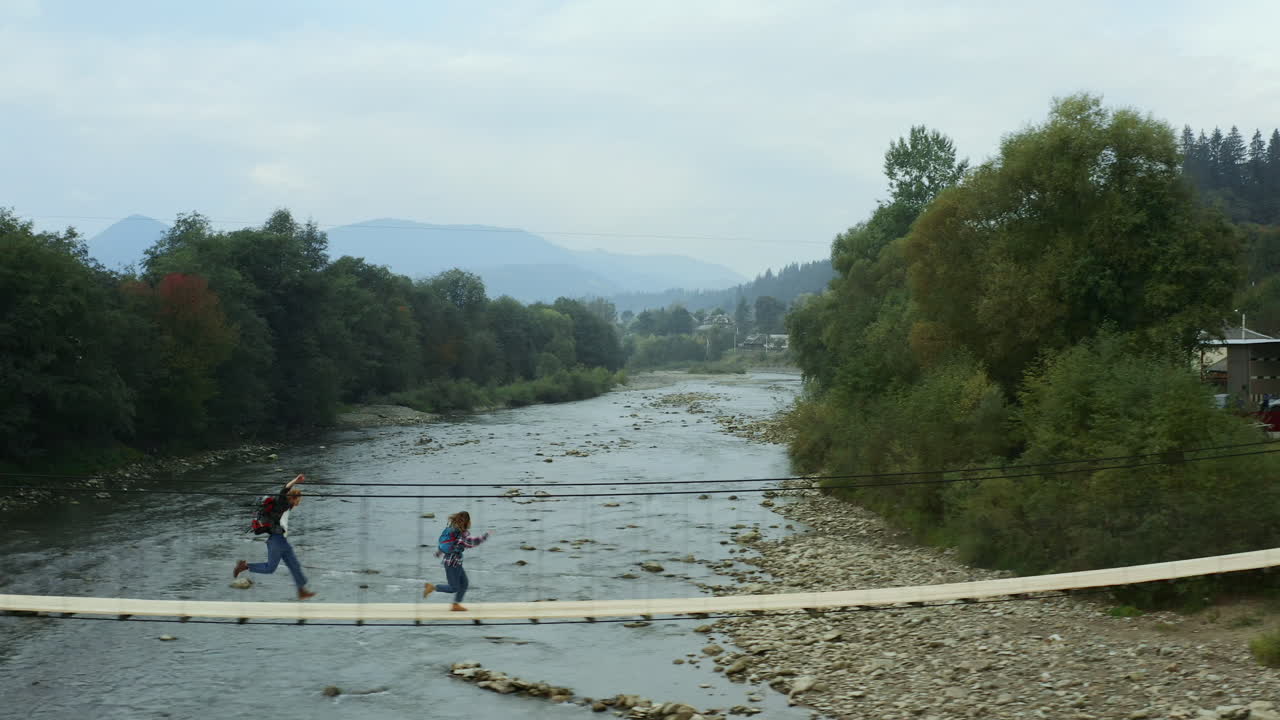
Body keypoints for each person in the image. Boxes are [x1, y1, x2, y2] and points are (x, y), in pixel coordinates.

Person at [233, 473, 317, 600]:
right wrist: (296, 480)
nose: (300, 501)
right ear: (293, 498)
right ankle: (244, 566)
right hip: (276, 540)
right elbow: (285, 489)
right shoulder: (282, 503)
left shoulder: (287, 506)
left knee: (294, 565)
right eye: (299, 499)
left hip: (282, 540)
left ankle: (302, 591)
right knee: (270, 568)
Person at [423, 511, 489, 611]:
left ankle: (455, 605)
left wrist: (439, 552)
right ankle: (432, 588)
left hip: (455, 562)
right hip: (452, 564)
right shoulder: (459, 534)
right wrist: (484, 537)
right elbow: (471, 543)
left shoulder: (451, 530)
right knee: (454, 588)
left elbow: (446, 543)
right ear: (467, 521)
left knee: (465, 583)